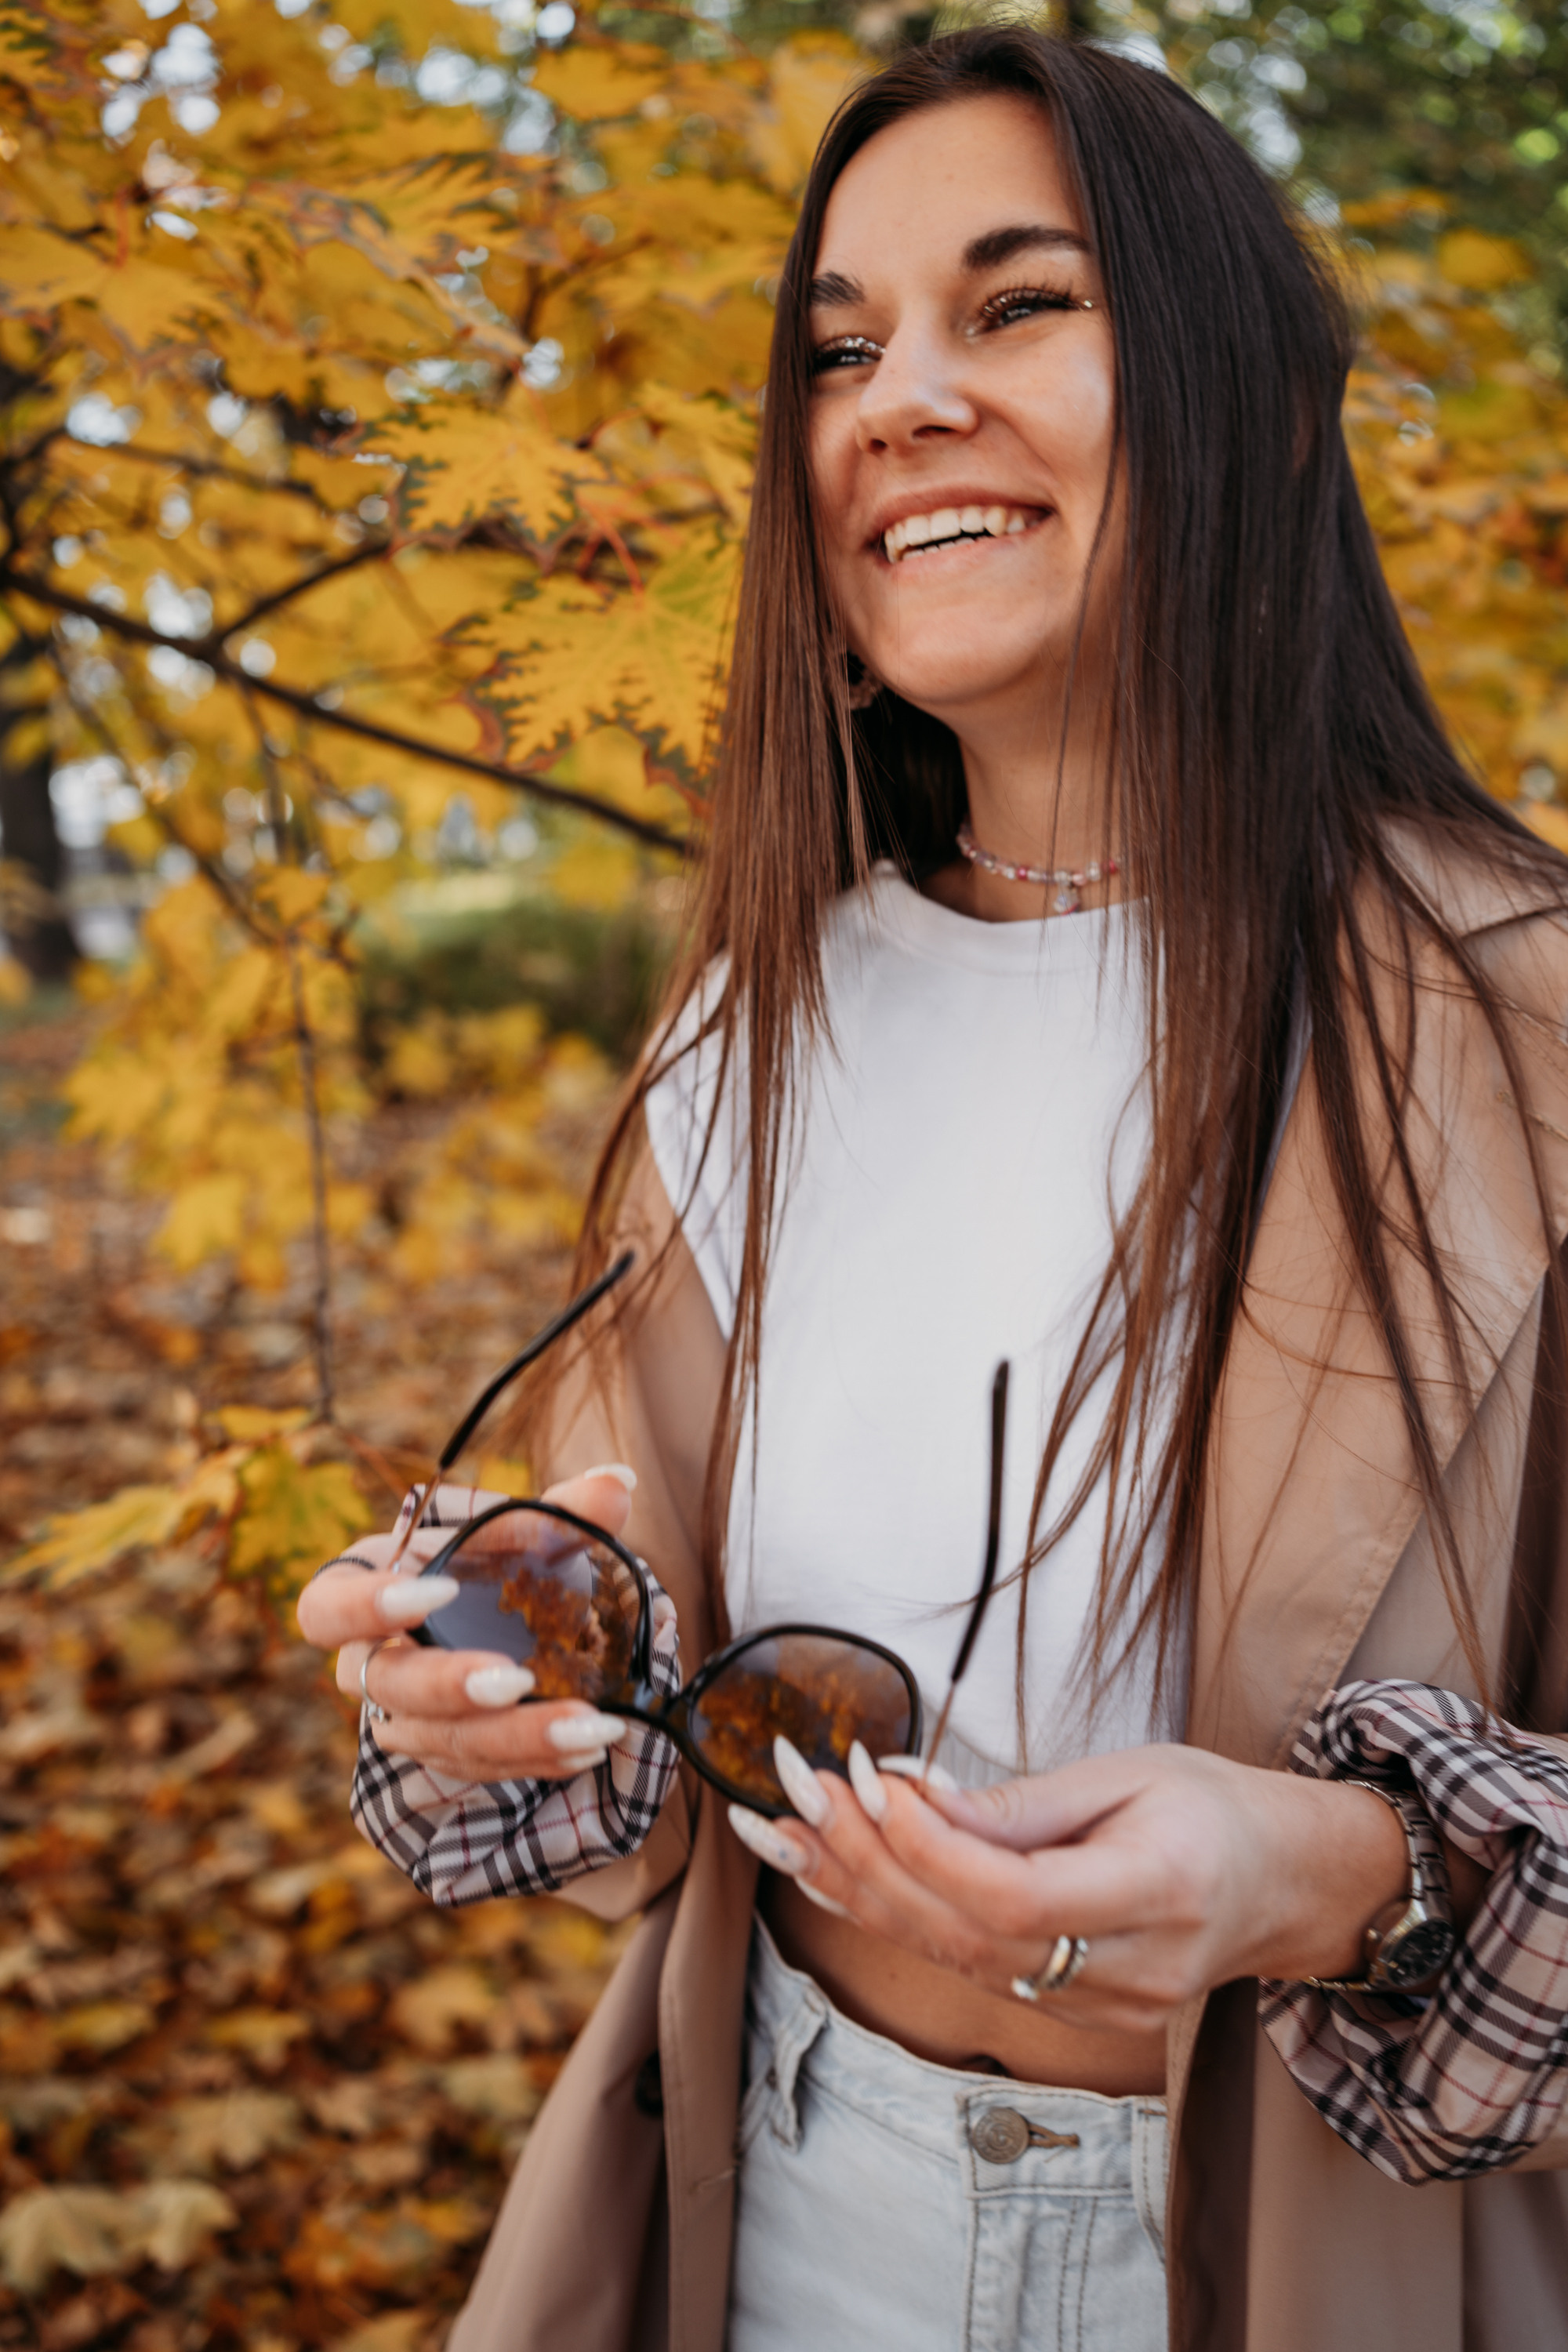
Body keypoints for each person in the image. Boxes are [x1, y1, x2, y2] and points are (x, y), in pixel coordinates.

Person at [297, 28, 1568, 2352]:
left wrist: (1342, 1877)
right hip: (775, 2204)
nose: (902, 399)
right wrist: (495, 1680)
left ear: (1262, 408)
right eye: (841, 346)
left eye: (1019, 306)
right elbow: (650, 1707)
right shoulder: (749, 1036)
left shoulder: (1522, 1037)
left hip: (1299, 2261)